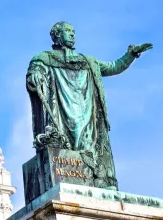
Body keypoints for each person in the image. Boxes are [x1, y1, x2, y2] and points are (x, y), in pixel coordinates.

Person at [26, 21, 152, 189]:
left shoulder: (88, 61)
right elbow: (35, 73)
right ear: (57, 35)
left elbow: (113, 67)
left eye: (73, 31)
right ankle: (69, 175)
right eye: (68, 31)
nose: (72, 34)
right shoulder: (43, 58)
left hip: (87, 111)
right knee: (65, 141)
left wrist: (131, 55)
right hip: (61, 109)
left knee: (92, 144)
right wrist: (35, 76)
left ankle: (98, 180)